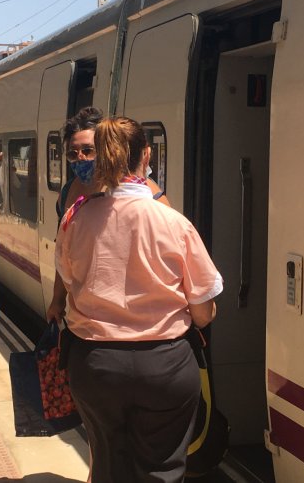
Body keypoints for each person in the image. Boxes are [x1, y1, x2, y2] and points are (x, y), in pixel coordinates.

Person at [47, 117, 222, 483]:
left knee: (108, 465)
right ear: (146, 155)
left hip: (95, 365)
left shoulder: (73, 219)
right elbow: (203, 314)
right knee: (161, 469)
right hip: (166, 366)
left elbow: (67, 279)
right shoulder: (172, 221)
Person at [46, 107, 170, 324]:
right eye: (73, 154)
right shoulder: (67, 194)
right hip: (86, 314)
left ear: (106, 150)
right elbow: (63, 258)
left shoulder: (151, 196)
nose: (81, 159)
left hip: (132, 313)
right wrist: (57, 300)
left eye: (88, 150)